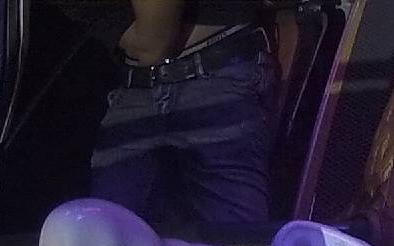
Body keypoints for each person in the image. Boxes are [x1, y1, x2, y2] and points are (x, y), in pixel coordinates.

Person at [90, 0, 275, 225]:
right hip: (134, 86)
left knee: (233, 239)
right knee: (107, 233)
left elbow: (153, 45)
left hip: (218, 71)